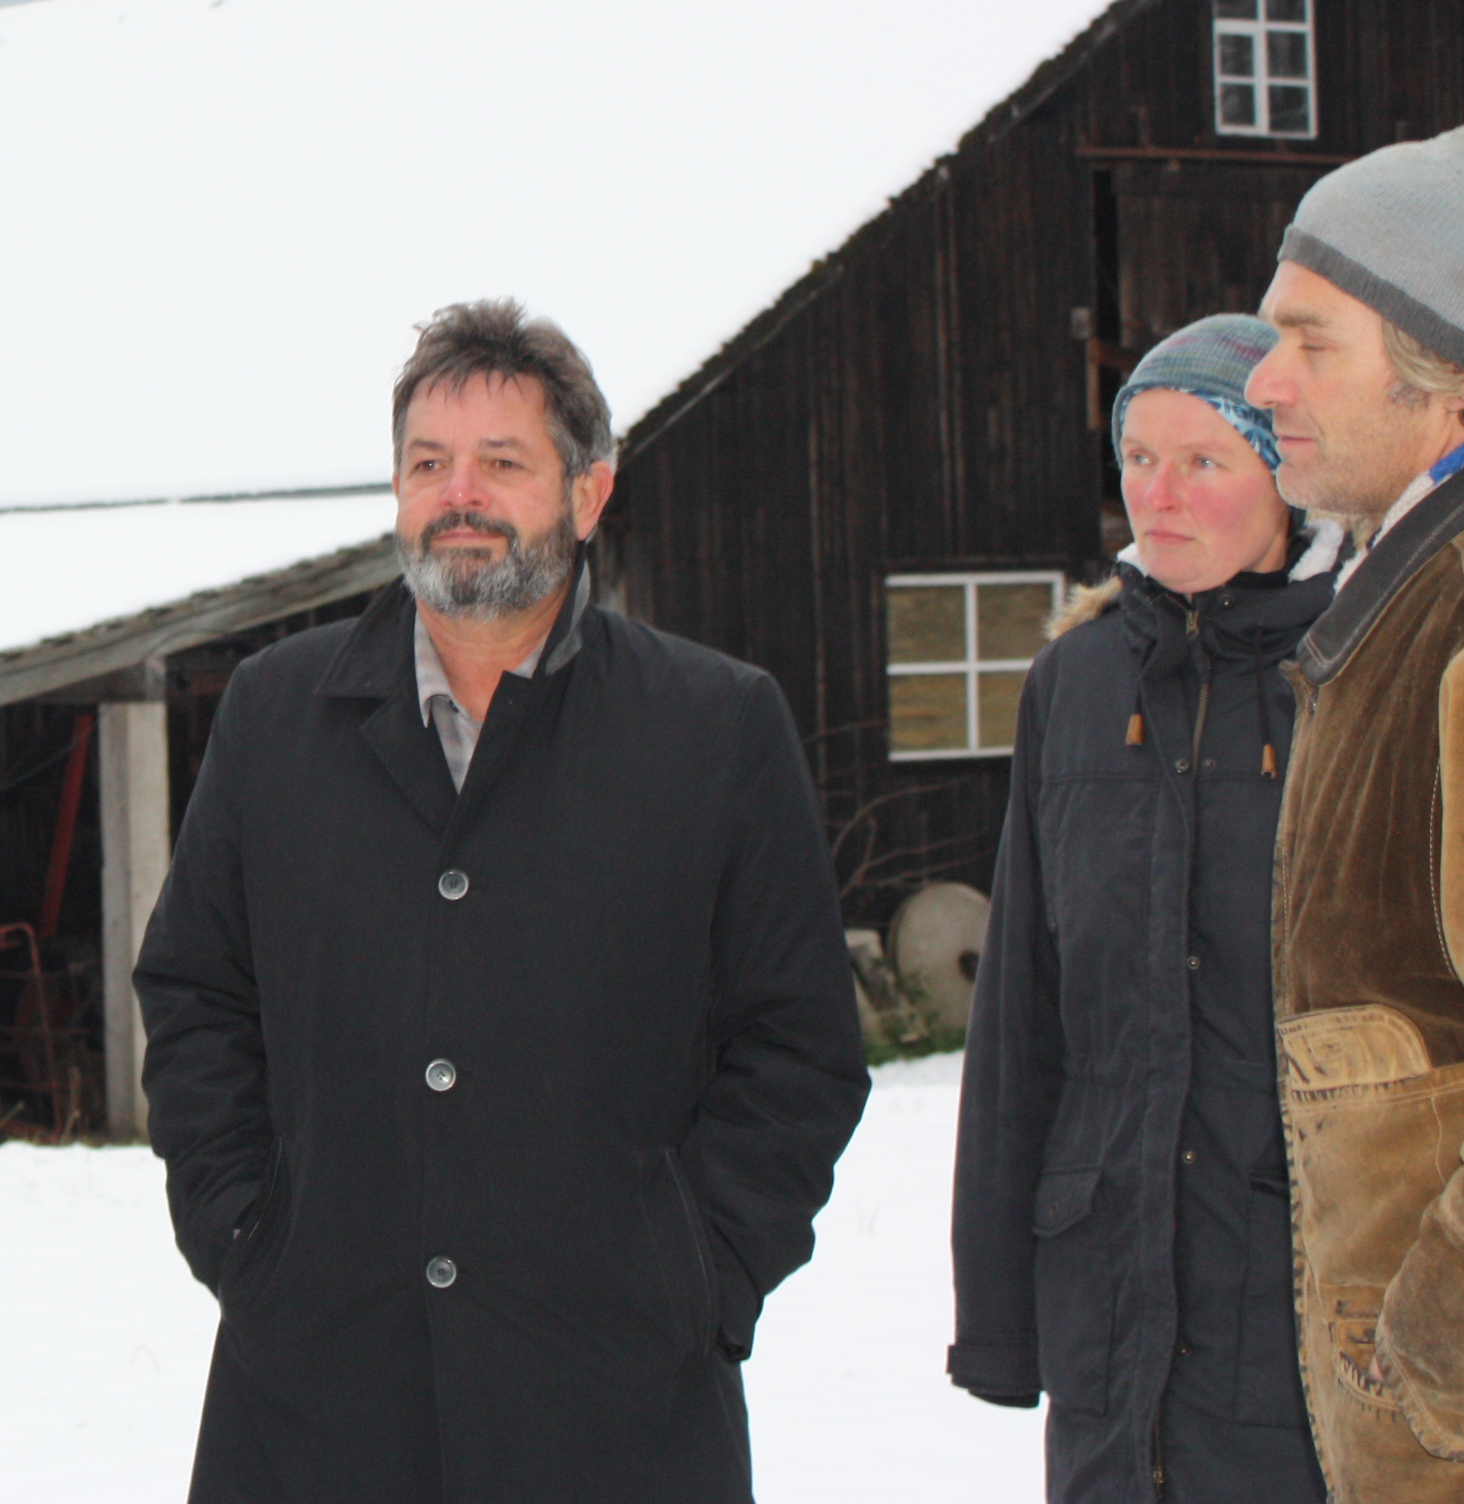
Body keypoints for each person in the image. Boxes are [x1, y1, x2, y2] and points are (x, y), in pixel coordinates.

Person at [133, 298, 870, 1504]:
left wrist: (695, 1268)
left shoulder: (715, 727)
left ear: (588, 492)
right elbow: (195, 994)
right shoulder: (274, 713)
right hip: (317, 1400)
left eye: (501, 462)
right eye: (428, 463)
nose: (458, 494)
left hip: (616, 1408)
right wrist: (246, 1237)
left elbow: (799, 1048)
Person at [1238, 102, 1464, 1500]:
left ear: (1452, 368)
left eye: (1309, 341)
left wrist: (1430, 1377)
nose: (1262, 381)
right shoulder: (1455, 559)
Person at [949, 313, 1338, 1500]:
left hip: (1299, 1313)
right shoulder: (1072, 684)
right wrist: (998, 1318)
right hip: (1106, 1313)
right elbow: (1019, 1015)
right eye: (1137, 458)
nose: (1155, 495)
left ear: (1285, 477)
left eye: (1202, 459)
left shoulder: (1352, 670)